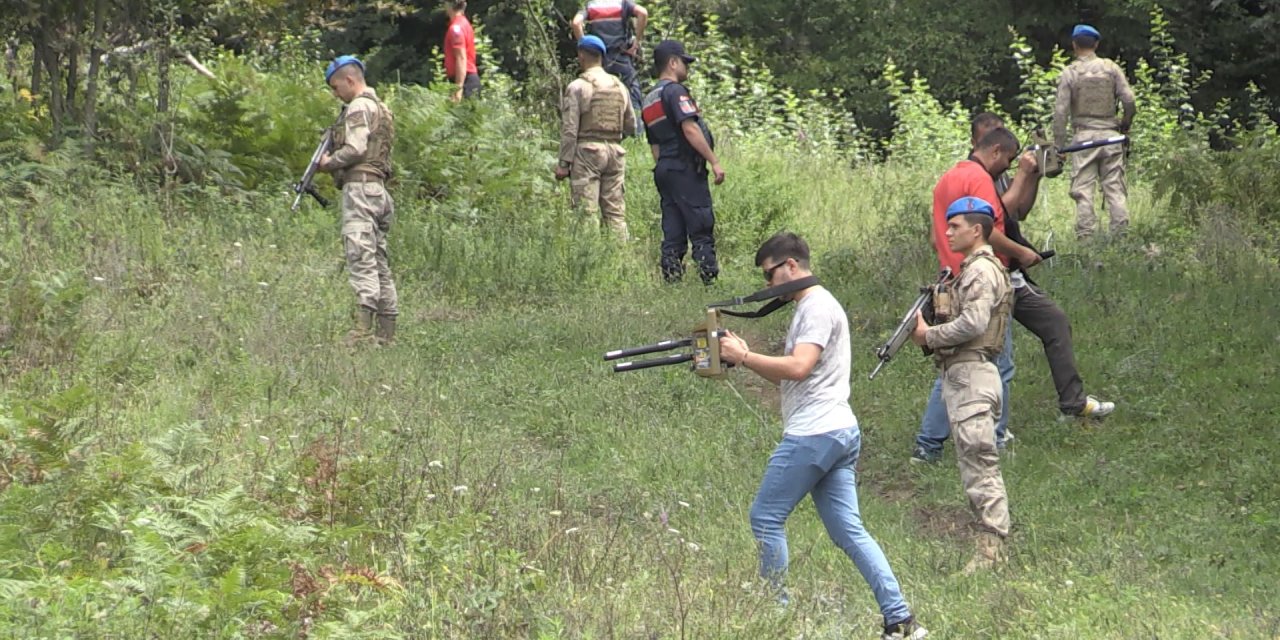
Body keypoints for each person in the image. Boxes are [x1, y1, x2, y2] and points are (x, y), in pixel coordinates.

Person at [718, 233, 928, 640]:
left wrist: (743, 357)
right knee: (848, 530)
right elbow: (795, 370)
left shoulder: (815, 307)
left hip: (814, 433)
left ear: (791, 267)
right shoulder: (813, 304)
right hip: (838, 430)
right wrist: (745, 359)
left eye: (769, 275)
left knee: (765, 517)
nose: (768, 286)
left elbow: (798, 366)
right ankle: (900, 620)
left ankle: (774, 619)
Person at [911, 117, 1116, 464]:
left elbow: (940, 235)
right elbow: (987, 228)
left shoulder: (949, 177)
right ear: (995, 150)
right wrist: (1021, 252)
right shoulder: (978, 178)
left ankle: (930, 446)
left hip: (966, 276)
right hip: (984, 278)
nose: (1007, 166)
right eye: (1007, 160)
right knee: (994, 362)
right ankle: (992, 440)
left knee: (959, 362)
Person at [909, 197, 1013, 574]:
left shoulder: (981, 271)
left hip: (973, 375)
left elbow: (973, 323)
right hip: (963, 374)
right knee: (972, 460)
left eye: (955, 226)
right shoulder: (969, 271)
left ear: (977, 230)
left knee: (979, 461)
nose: (948, 231)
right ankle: (988, 543)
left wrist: (929, 336)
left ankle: (992, 549)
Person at [318, 55, 398, 345]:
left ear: (350, 80)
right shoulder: (381, 108)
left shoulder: (358, 107)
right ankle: (386, 333)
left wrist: (327, 163)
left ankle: (362, 331)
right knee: (378, 261)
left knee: (360, 255)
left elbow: (355, 147)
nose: (335, 93)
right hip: (378, 190)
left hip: (361, 189)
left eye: (336, 87)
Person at [641, 40, 723, 284]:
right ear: (673, 62)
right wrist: (714, 161)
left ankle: (672, 281)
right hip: (685, 168)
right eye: (684, 62)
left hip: (665, 169)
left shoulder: (649, 99)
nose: (687, 67)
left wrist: (664, 167)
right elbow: (690, 129)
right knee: (700, 224)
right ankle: (709, 281)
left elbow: (654, 144)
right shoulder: (675, 92)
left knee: (673, 229)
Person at [1053, 24, 1136, 239]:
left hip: (1083, 138)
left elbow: (1060, 112)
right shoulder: (1111, 68)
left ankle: (1086, 238)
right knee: (1115, 188)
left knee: (1083, 191)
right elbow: (1129, 100)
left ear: (1074, 44)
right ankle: (1121, 236)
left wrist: (1059, 145)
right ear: (1096, 44)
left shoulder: (1070, 72)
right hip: (1110, 136)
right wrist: (1125, 125)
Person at [555, 35, 636, 240]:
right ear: (602, 56)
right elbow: (631, 125)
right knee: (615, 212)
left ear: (581, 55)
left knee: (586, 212)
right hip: (616, 152)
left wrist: (564, 163)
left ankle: (589, 262)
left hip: (587, 153)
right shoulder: (619, 86)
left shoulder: (578, 87)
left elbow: (570, 129)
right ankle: (620, 261)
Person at [571, 0, 647, 133]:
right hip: (622, 57)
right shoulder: (623, 4)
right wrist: (636, 42)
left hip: (601, 60)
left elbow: (576, 23)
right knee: (632, 94)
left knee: (600, 95)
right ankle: (636, 135)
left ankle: (604, 131)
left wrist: (586, 47)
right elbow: (643, 13)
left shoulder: (591, 6)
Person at [443, 0, 480, 101]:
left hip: (465, 82)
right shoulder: (464, 23)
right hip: (466, 79)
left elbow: (461, 58)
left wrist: (458, 89)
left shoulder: (456, 28)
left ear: (449, 5)